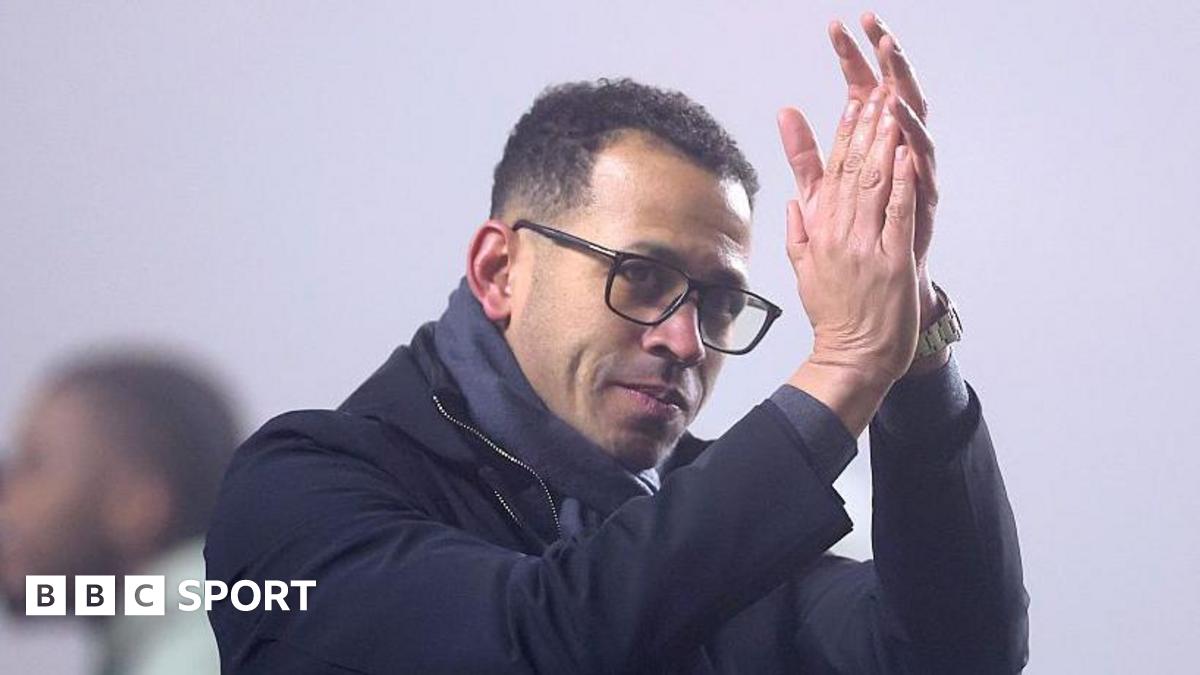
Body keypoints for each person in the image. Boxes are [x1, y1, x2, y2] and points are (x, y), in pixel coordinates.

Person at [205, 12, 1028, 673]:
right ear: (500, 271)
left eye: (721, 302)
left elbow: (953, 657)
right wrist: (847, 362)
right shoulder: (299, 488)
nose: (684, 339)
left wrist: (915, 348)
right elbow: (537, 642)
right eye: (639, 275)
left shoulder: (715, 504)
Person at [0, 349, 239, 675]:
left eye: (34, 463)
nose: (7, 496)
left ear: (135, 506)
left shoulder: (198, 647)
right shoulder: (217, 627)